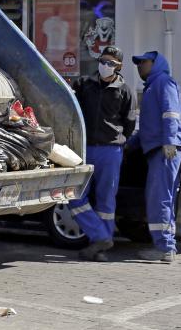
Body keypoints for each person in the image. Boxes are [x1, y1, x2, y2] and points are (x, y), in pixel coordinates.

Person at [69, 46, 137, 262]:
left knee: (106, 201)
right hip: (85, 149)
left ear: (119, 67)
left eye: (110, 63)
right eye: (102, 61)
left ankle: (100, 248)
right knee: (75, 196)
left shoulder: (125, 91)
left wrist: (119, 142)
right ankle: (101, 236)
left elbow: (129, 124)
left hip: (111, 150)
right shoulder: (84, 85)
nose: (105, 66)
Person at [128, 51, 181, 263]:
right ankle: (167, 247)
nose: (139, 67)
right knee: (164, 199)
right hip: (161, 148)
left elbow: (171, 113)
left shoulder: (163, 82)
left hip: (165, 150)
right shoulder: (153, 85)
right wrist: (128, 144)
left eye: (143, 62)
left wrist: (169, 141)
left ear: (156, 63)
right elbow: (147, 127)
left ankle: (163, 248)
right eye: (137, 63)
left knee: (158, 199)